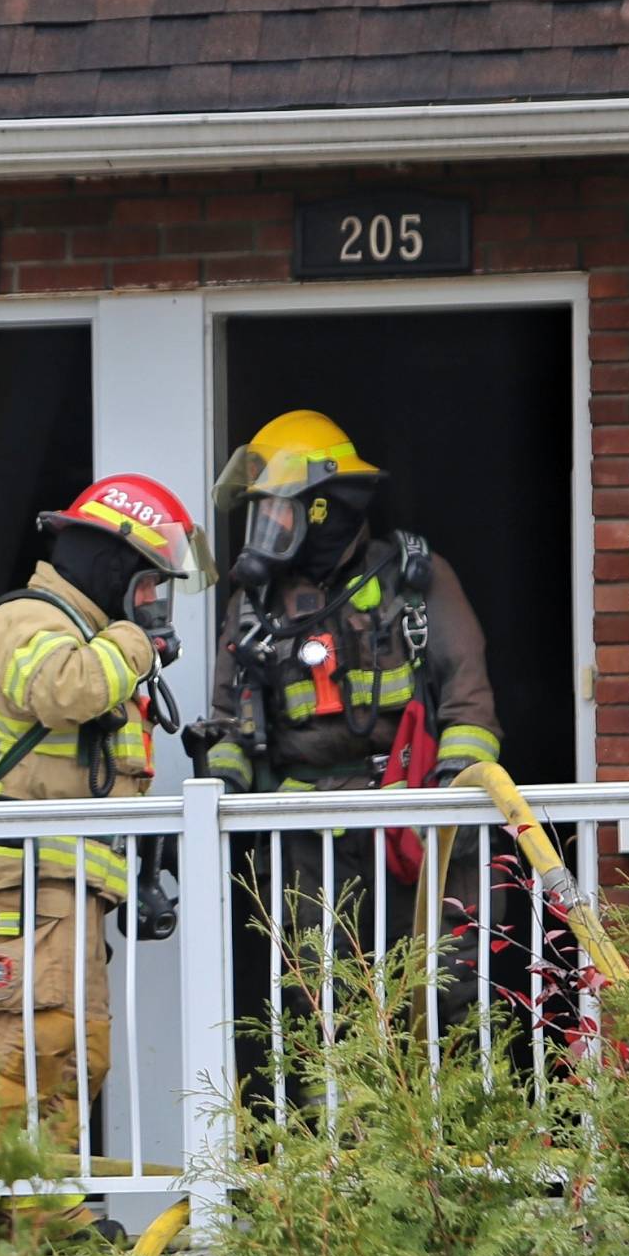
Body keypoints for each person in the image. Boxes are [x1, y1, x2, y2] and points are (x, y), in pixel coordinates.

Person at [199, 410, 502, 1083]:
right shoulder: (252, 605)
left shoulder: (415, 582)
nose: (266, 532)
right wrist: (218, 799)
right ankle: (337, 1173)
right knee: (318, 1005)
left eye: (277, 514)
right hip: (305, 842)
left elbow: (468, 699)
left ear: (323, 509)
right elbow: (226, 723)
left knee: (438, 994)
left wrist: (447, 795)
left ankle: (442, 1154)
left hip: (413, 834)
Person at [0, 473, 211, 1234]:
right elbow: (64, 690)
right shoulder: (30, 618)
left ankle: (39, 1210)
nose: (152, 604)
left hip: (64, 882)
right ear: (108, 560)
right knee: (20, 1043)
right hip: (20, 878)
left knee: (71, 1050)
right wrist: (133, 642)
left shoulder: (83, 630)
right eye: (148, 584)